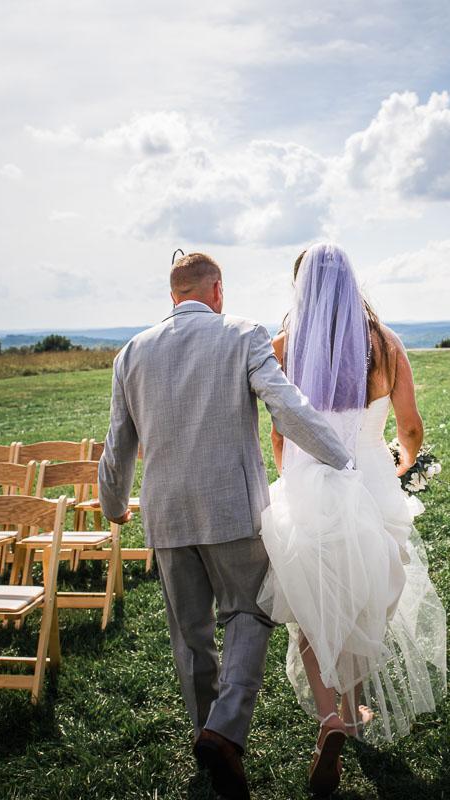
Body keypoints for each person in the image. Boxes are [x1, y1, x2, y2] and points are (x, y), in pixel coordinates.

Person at [98, 252, 352, 800]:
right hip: (232, 509)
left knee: (190, 634)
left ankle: (207, 736)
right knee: (250, 611)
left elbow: (118, 443)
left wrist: (113, 503)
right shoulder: (242, 334)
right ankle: (224, 731)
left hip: (166, 515)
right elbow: (286, 406)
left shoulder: (131, 352)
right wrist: (341, 458)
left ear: (173, 296)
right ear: (217, 290)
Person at [260, 243, 447, 796]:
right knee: (366, 597)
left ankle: (329, 719)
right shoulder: (385, 344)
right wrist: (402, 462)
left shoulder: (283, 346)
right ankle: (352, 708)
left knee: (311, 603)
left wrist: (293, 475)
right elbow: (410, 426)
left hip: (310, 482)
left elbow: (279, 433)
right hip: (371, 483)